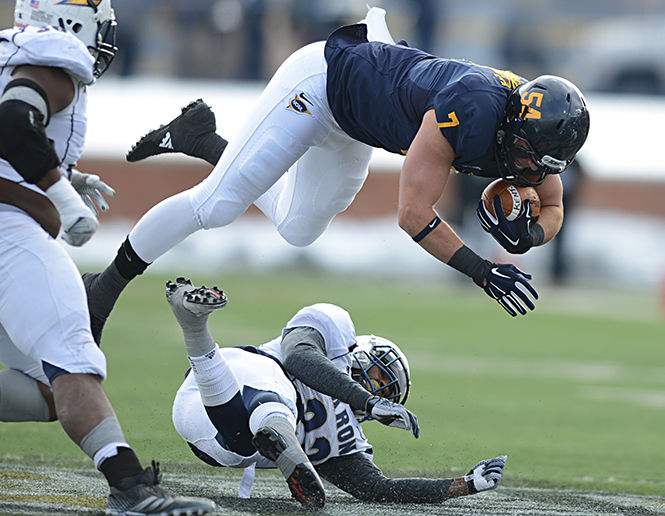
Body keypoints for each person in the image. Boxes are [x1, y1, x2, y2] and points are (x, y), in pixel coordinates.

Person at [84, 7, 591, 345]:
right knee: (218, 206)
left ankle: (204, 140)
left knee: (298, 229)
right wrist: (481, 270)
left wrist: (529, 237)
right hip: (322, 84)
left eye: (541, 164)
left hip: (356, 123)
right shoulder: (473, 109)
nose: (530, 172)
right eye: (528, 158)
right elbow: (413, 214)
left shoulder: (534, 137)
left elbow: (554, 205)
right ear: (516, 125)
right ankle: (103, 287)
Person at [0, 1, 215, 514]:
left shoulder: (11, 50)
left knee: (47, 389)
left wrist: (64, 175)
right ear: (69, 22)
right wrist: (62, 195)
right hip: (10, 232)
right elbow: (11, 123)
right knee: (72, 360)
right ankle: (131, 488)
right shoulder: (51, 61)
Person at [165, 276, 507, 508]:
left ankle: (192, 326)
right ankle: (283, 443)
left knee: (241, 443)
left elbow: (376, 489)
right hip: (239, 372)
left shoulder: (345, 438)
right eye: (378, 375)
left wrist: (467, 484)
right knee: (277, 400)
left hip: (210, 432)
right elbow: (298, 357)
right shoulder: (333, 328)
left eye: (385, 391)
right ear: (362, 349)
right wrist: (368, 402)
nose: (375, 387)